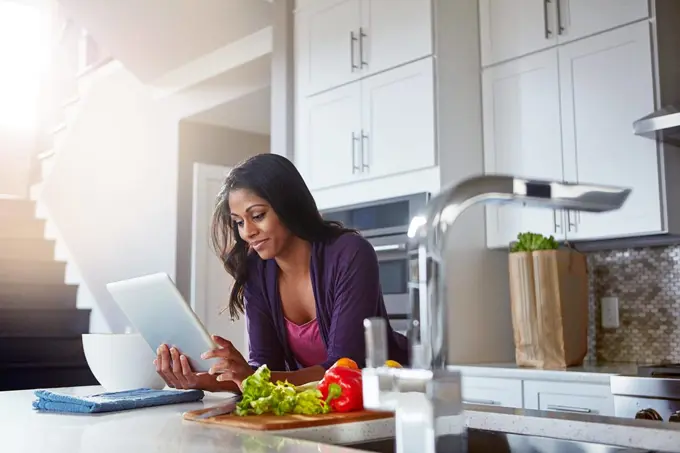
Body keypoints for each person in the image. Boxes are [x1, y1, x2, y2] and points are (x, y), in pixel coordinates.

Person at [155, 153, 409, 392]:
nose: (247, 232)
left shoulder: (350, 253)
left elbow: (344, 367)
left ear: (288, 205)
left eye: (258, 215)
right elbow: (268, 369)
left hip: (392, 397)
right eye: (239, 222)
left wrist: (252, 377)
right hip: (324, 406)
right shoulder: (257, 271)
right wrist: (207, 380)